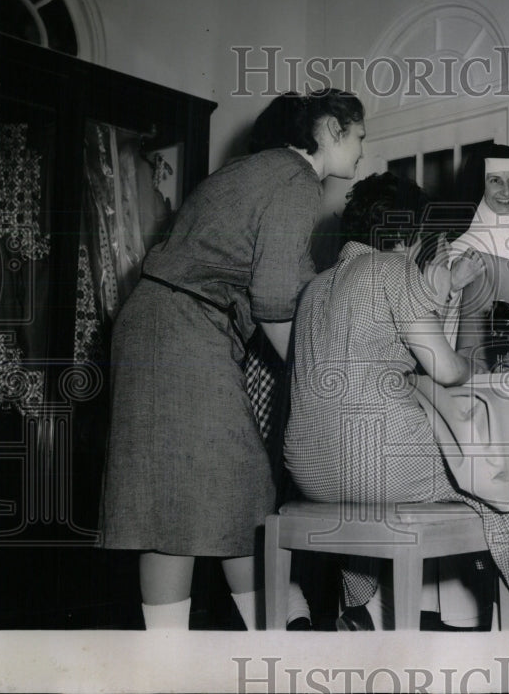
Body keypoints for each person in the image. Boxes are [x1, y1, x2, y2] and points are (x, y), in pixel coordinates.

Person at [100, 89, 366, 630]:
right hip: (181, 330)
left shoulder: (257, 171)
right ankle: (251, 645)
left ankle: (269, 636)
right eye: (359, 136)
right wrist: (318, 384)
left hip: (165, 324)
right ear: (331, 129)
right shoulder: (295, 179)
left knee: (212, 493)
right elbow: (272, 298)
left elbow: (279, 287)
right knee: (203, 493)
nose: (363, 150)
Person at [285, 172, 509, 630]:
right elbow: (447, 369)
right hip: (376, 466)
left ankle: (361, 611)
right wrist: (477, 372)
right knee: (508, 482)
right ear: (410, 235)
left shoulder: (315, 289)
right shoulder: (393, 270)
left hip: (309, 472)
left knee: (374, 492)